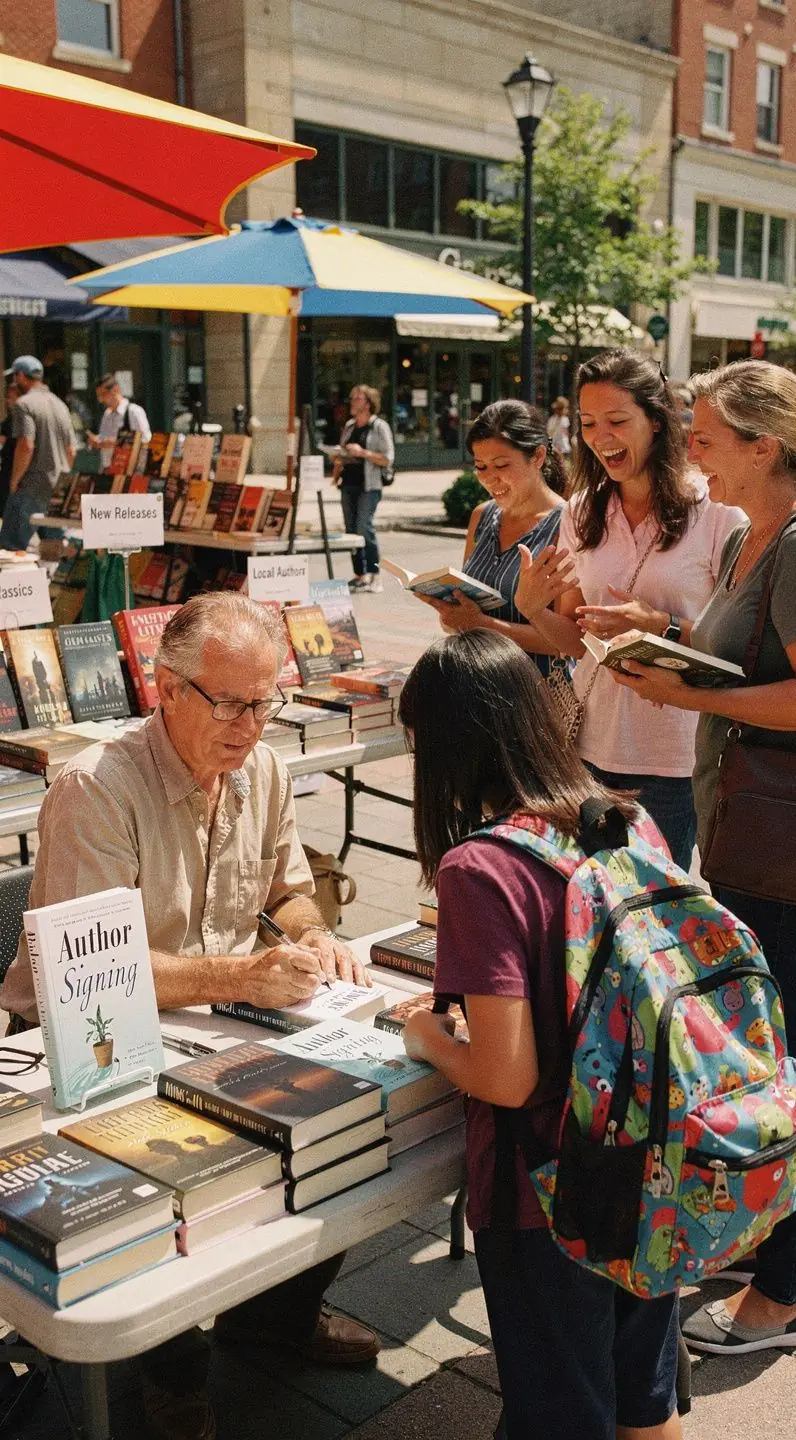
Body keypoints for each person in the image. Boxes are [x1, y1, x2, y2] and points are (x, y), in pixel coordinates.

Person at [0, 593, 380, 1440]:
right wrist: (244, 975)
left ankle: (274, 1319)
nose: (252, 725)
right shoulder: (99, 787)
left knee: (351, 1121)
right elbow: (95, 976)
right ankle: (171, 1374)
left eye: (267, 700)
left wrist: (323, 941)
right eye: (232, 702)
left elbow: (287, 890)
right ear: (166, 688)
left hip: (217, 1020)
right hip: (84, 1044)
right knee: (178, 1177)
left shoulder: (264, 768)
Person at [398, 629, 682, 1440]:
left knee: (558, 1414)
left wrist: (425, 1035)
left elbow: (506, 1075)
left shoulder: (479, 869)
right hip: (650, 1165)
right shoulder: (626, 820)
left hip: (546, 1193)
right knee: (643, 1403)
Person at [607, 360, 796, 1357]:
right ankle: (773, 1233)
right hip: (746, 828)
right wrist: (662, 636)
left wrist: (695, 698)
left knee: (772, 1052)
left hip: (788, 845)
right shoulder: (754, 540)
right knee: (757, 1040)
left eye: (704, 437)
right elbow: (751, 655)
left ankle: (791, 1288)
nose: (688, 450)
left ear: (763, 446)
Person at [513, 348, 741, 870]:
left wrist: (660, 625)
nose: (600, 437)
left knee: (657, 917)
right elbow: (574, 636)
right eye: (588, 422)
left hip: (678, 755)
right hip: (589, 746)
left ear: (657, 422)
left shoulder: (715, 508)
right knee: (593, 909)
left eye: (617, 420)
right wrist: (533, 609)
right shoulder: (582, 509)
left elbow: (736, 646)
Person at [419, 400, 568, 676]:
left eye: (501, 465)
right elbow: (463, 612)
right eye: (481, 466)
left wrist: (478, 624)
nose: (490, 479)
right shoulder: (482, 516)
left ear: (537, 456)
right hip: (478, 682)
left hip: (536, 693)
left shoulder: (567, 525)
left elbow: (570, 641)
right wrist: (452, 615)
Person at [0, 356, 76, 551]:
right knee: (53, 548)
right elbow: (71, 451)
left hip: (31, 484)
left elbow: (26, 445)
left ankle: (18, 583)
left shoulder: (24, 404)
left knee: (11, 548)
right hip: (57, 487)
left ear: (21, 376)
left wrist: (15, 480)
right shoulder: (60, 405)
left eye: (15, 377)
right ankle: (48, 581)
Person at [332, 384, 394, 593]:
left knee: (363, 528)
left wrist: (362, 453)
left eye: (357, 399)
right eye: (352, 398)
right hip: (347, 484)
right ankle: (360, 575)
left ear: (368, 403)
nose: (352, 402)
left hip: (369, 486)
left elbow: (387, 459)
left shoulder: (379, 427)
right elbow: (343, 453)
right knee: (351, 531)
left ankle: (375, 575)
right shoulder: (350, 426)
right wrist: (337, 459)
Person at [87, 372, 152, 467]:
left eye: (103, 394)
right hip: (107, 470)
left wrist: (116, 442)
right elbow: (104, 437)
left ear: (115, 390)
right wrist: (96, 441)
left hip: (129, 470)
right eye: (99, 396)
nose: (101, 400)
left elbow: (146, 440)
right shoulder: (107, 414)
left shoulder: (134, 411)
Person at [0, 380, 19, 516]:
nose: (8, 400)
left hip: (15, 469)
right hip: (7, 468)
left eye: (11, 397)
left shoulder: (23, 419)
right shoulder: (10, 419)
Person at [546, 395, 572, 459]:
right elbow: (550, 433)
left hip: (562, 445)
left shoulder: (563, 419)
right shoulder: (553, 419)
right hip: (556, 445)